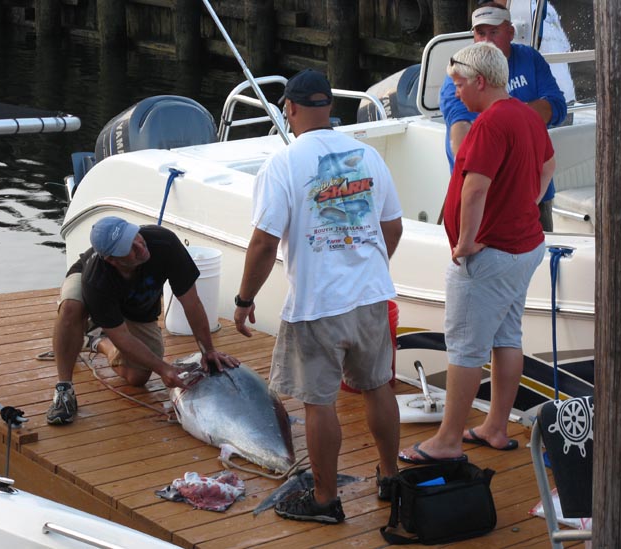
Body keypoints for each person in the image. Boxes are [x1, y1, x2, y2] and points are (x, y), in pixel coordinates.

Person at [234, 69, 404, 524]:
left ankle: (326, 500)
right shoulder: (368, 155)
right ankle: (391, 477)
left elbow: (265, 243)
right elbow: (393, 227)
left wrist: (244, 298)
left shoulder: (284, 163)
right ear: (329, 107)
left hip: (317, 304)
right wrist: (364, 265)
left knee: (318, 402)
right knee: (378, 387)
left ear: (289, 109)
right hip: (370, 295)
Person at [399, 42, 555, 464]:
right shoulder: (526, 114)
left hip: (491, 254)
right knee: (507, 336)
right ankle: (495, 427)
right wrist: (526, 201)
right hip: (525, 247)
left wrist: (465, 241)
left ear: (480, 81)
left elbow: (475, 186)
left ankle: (447, 440)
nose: (455, 91)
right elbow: (548, 167)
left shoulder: (488, 123)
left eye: (458, 82)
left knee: (465, 347)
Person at [46, 216, 239, 425]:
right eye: (128, 246)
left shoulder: (164, 243)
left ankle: (96, 340)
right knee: (70, 309)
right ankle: (64, 389)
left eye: (135, 235)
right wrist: (164, 368)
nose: (139, 245)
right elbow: (121, 336)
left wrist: (207, 350)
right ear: (112, 259)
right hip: (93, 286)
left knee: (137, 377)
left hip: (138, 305)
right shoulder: (96, 279)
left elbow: (192, 302)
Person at [440, 2, 566, 231]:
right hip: (486, 200)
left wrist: (508, 118)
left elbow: (557, 106)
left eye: (494, 31)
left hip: (535, 192)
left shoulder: (530, 59)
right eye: (480, 32)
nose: (486, 40)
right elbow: (459, 126)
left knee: (538, 258)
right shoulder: (459, 71)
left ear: (511, 32)